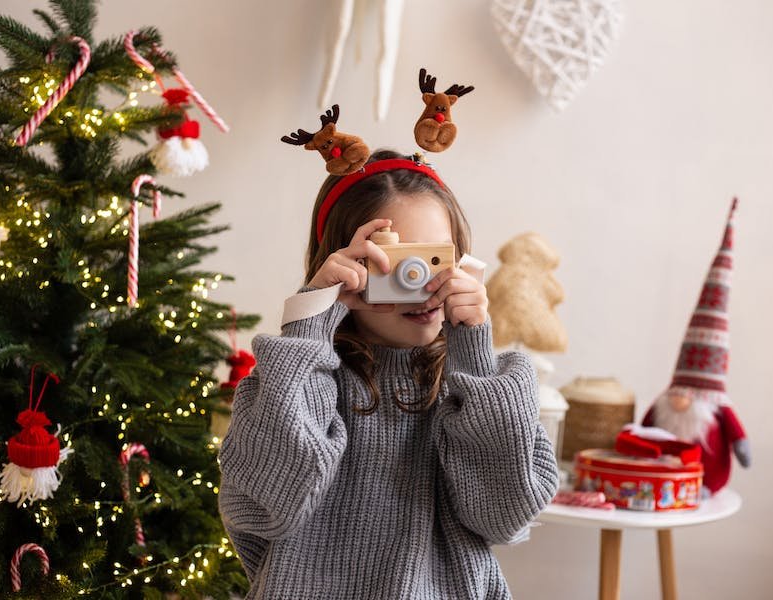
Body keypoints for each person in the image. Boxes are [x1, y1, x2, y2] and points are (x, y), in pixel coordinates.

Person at [217, 149, 559, 599]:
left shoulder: (489, 388)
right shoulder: (297, 378)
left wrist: (473, 357)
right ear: (346, 263)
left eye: (435, 260)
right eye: (396, 262)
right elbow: (266, 509)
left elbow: (505, 515)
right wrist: (311, 317)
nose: (422, 283)